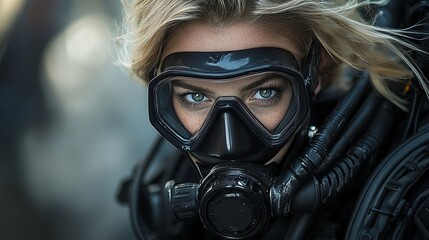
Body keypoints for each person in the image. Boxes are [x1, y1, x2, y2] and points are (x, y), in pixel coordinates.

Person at [116, 0, 429, 239]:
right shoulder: (162, 191)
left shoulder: (410, 200)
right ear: (165, 101)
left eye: (265, 92)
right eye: (195, 97)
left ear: (315, 71)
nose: (230, 143)